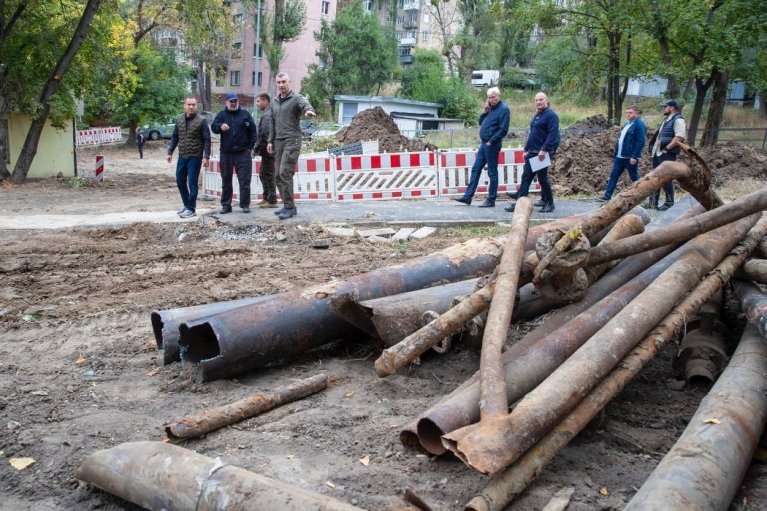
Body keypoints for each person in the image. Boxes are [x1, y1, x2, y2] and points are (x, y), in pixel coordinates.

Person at [266, 72, 315, 220]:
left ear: (289, 82)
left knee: (284, 173)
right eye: (279, 82)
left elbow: (305, 104)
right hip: (278, 141)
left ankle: (289, 207)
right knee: (277, 175)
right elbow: (272, 122)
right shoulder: (274, 101)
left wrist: (308, 110)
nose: (281, 85)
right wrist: (270, 140)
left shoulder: (296, 98)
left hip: (292, 140)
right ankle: (289, 205)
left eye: (284, 82)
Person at [451, 87, 510, 208]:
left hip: (492, 144)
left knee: (492, 172)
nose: (491, 99)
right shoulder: (490, 109)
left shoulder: (504, 109)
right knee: (476, 168)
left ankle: (491, 199)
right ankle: (468, 196)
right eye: (489, 97)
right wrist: (485, 112)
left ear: (499, 96)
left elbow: (503, 129)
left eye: (493, 97)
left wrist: (492, 141)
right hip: (484, 143)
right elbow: (480, 122)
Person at [505, 92, 560, 213]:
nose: (538, 102)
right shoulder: (537, 115)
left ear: (547, 101)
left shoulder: (551, 116)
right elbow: (533, 133)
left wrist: (544, 150)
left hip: (541, 153)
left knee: (539, 178)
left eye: (541, 100)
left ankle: (549, 203)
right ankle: (523, 204)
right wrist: (526, 149)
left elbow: (552, 134)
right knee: (528, 177)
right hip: (533, 151)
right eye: (536, 100)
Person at [211, 92, 258, 214]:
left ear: (238, 102)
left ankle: (245, 204)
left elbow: (253, 131)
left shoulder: (245, 114)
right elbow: (213, 127)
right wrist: (220, 126)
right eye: (231, 101)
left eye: (235, 101)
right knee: (226, 180)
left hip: (243, 153)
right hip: (226, 153)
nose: (233, 103)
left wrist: (250, 147)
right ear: (226, 103)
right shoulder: (221, 115)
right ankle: (226, 205)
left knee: (244, 180)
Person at [166, 96, 211, 219]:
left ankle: (191, 209)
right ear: (184, 105)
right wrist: (170, 152)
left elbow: (207, 139)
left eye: (193, 105)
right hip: (182, 156)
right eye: (189, 104)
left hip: (195, 157)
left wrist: (206, 156)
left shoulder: (202, 121)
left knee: (192, 183)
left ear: (196, 106)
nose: (191, 107)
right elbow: (175, 137)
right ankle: (187, 205)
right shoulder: (179, 119)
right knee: (180, 182)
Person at [597, 105, 647, 202]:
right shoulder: (626, 124)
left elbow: (641, 141)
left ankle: (643, 195)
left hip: (629, 157)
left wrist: (634, 156)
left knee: (634, 177)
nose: (628, 114)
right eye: (627, 112)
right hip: (620, 156)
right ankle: (607, 195)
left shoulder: (639, 124)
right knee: (614, 175)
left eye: (630, 112)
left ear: (636, 113)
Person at [646, 99, 686, 211]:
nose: (664, 108)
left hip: (666, 153)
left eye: (666, 106)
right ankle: (653, 203)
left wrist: (666, 149)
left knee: (666, 178)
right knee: (655, 177)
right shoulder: (667, 120)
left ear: (671, 107)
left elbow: (679, 137)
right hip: (658, 153)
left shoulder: (678, 120)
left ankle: (669, 202)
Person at [254, 92, 277, 208]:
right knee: (263, 174)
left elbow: (266, 133)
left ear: (265, 101)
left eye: (258, 101)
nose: (257, 104)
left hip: (268, 150)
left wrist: (258, 147)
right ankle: (266, 197)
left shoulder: (267, 115)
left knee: (268, 174)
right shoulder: (266, 113)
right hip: (266, 150)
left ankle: (272, 200)